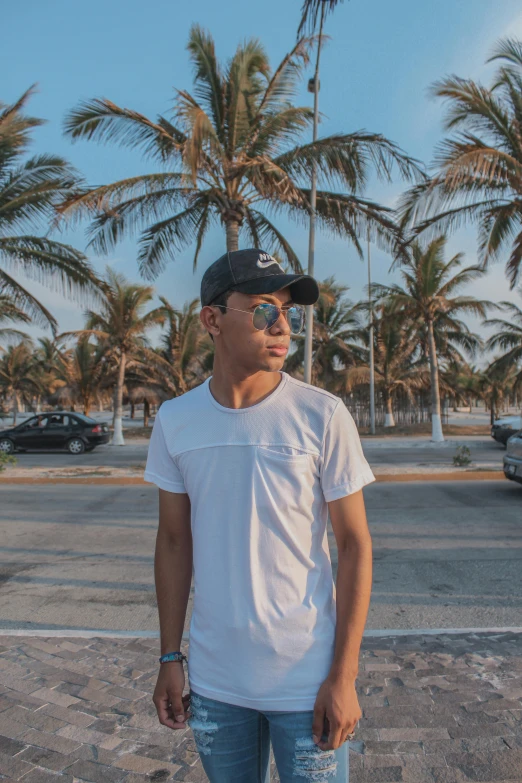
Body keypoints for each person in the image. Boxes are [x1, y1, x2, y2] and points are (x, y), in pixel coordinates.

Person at [145, 248, 375, 783]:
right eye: (266, 311)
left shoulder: (322, 415)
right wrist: (168, 658)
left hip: (307, 683)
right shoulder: (176, 421)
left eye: (289, 314)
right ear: (213, 320)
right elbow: (174, 542)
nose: (284, 328)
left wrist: (343, 676)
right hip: (215, 685)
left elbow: (356, 547)